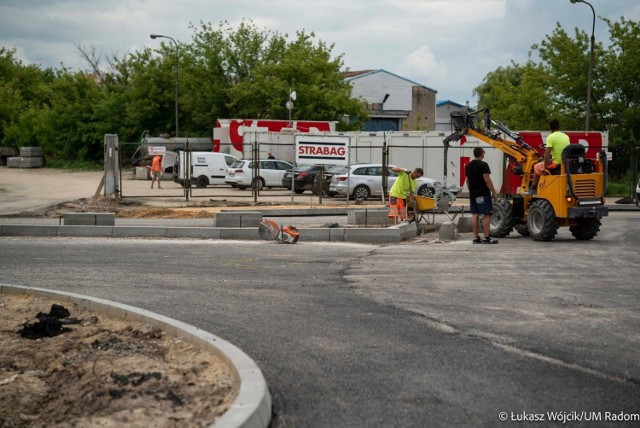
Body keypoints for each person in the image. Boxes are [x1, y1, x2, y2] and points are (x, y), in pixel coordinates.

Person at [527, 119, 570, 195]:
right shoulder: (566, 136)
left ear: (550, 128)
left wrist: (545, 166)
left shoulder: (551, 137)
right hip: (565, 163)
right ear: (559, 127)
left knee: (536, 166)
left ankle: (533, 189)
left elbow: (546, 154)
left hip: (556, 164)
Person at [465, 147, 498, 244]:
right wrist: (494, 192)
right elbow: (487, 179)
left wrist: (471, 190)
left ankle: (475, 237)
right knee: (487, 214)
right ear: (481, 154)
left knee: (475, 214)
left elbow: (467, 180)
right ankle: (487, 237)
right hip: (483, 194)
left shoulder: (468, 166)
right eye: (483, 153)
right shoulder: (483, 165)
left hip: (473, 194)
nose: (484, 154)